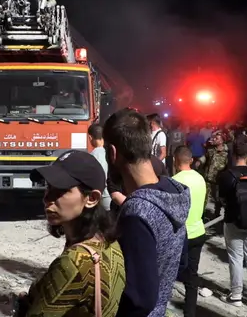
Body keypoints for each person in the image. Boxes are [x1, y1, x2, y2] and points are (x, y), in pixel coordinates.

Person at [14, 151, 126, 316]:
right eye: (48, 187)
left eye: (61, 190)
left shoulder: (74, 263)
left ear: (92, 198)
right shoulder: (108, 241)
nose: (47, 198)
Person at [103, 108, 190, 317]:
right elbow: (182, 262)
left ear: (112, 153)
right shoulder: (174, 191)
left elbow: (140, 299)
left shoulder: (136, 211)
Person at [217, 142, 247, 309]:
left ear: (232, 154)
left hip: (233, 221)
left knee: (236, 258)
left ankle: (236, 295)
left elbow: (221, 198)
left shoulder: (226, 175)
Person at [172, 146, 209, 317]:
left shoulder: (174, 181)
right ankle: (190, 312)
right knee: (192, 276)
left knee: (171, 272)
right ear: (191, 160)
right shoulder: (200, 178)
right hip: (198, 231)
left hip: (181, 234)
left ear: (175, 160)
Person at [202, 130, 229, 218]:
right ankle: (202, 214)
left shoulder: (227, 152)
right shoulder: (210, 149)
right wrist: (199, 161)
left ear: (222, 141)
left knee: (218, 199)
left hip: (218, 179)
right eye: (214, 138)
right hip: (208, 178)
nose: (214, 140)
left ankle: (217, 215)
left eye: (216, 139)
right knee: (204, 198)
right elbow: (205, 158)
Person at [88, 123, 111, 211]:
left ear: (90, 138)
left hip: (101, 199)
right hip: (112, 197)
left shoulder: (92, 156)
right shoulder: (111, 152)